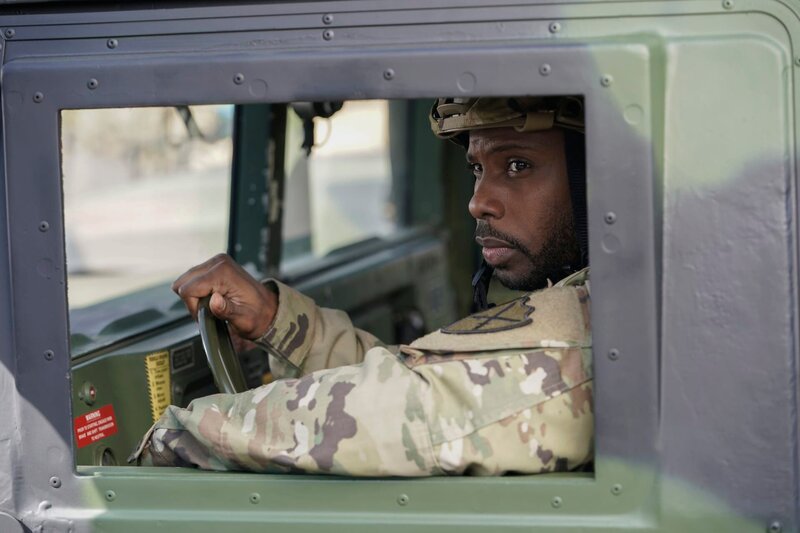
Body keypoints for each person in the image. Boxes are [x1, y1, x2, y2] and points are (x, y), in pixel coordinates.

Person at [131, 96, 593, 476]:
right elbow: (426, 384)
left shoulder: (586, 332)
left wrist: (171, 437)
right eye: (477, 169)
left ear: (597, 179)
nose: (478, 203)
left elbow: (398, 412)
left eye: (517, 165)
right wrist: (278, 323)